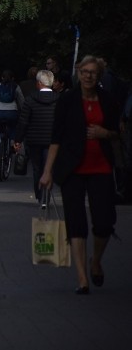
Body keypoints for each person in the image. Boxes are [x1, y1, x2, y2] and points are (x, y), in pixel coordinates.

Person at [39, 56, 122, 295]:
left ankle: (95, 260)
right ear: (78, 72)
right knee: (76, 223)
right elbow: (56, 138)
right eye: (84, 71)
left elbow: (117, 132)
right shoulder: (67, 100)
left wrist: (104, 133)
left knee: (104, 222)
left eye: (93, 73)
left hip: (101, 167)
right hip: (72, 169)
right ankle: (82, 278)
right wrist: (47, 172)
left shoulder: (107, 101)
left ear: (99, 75)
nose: (88, 76)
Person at [13, 70, 60, 205]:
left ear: (39, 83)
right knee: (48, 168)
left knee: (36, 168)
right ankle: (46, 195)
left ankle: (40, 196)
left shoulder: (30, 99)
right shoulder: (59, 100)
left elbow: (23, 121)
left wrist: (18, 140)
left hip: (34, 140)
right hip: (52, 141)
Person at [0, 69, 24, 171]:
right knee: (13, 129)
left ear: (2, 78)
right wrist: (21, 112)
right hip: (12, 113)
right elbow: (22, 101)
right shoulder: (16, 86)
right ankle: (12, 144)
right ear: (13, 78)